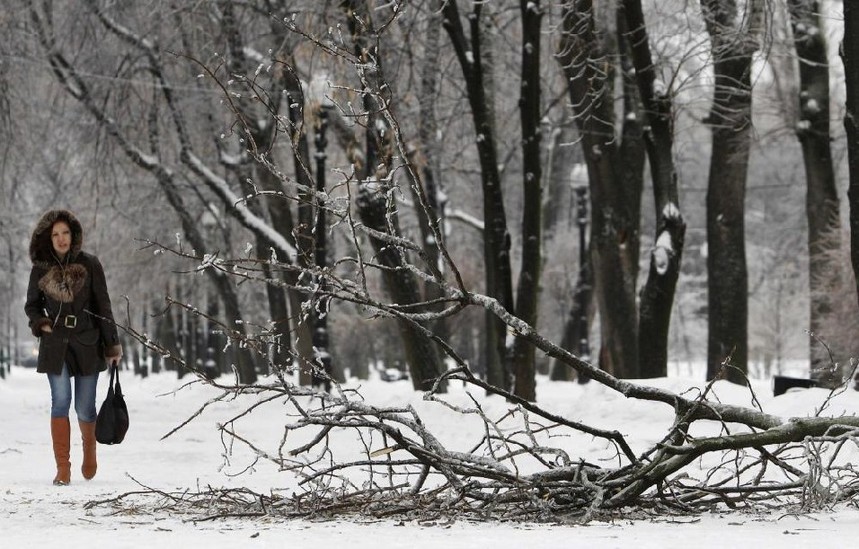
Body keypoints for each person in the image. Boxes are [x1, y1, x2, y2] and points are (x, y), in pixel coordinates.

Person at [24, 209, 122, 486]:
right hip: (55, 343)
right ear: (48, 238)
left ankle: (89, 451)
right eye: (55, 234)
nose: (61, 238)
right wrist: (40, 323)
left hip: (88, 341)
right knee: (61, 400)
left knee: (84, 408)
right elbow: (31, 305)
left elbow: (104, 306)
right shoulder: (40, 269)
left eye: (65, 232)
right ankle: (62, 468)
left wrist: (112, 345)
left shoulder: (90, 264)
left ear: (73, 234)